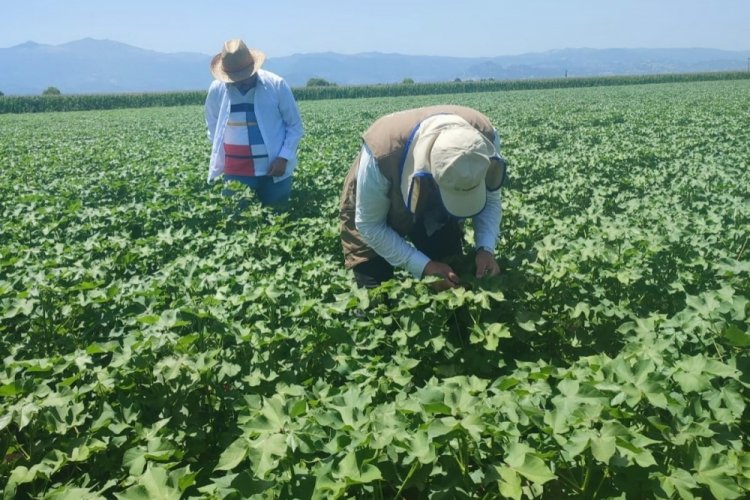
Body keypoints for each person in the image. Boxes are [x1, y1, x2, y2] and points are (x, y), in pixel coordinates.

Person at [339, 105, 507, 289]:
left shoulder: (485, 138)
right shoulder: (382, 153)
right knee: (375, 293)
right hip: (375, 206)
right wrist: (424, 266)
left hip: (433, 206)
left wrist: (485, 249)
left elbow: (490, 199)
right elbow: (370, 225)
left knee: (452, 275)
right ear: (432, 181)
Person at [205, 39, 304, 207]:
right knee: (235, 222)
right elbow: (212, 123)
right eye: (235, 78)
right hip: (235, 172)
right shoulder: (217, 90)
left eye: (244, 76)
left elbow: (294, 126)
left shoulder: (276, 85)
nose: (240, 81)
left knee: (277, 222)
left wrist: (283, 157)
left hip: (274, 170)